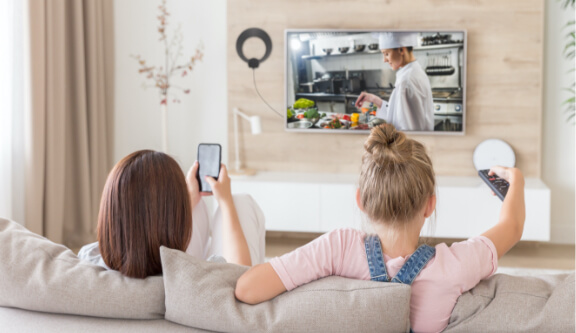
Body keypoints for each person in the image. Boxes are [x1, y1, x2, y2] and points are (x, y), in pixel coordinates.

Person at [235, 124, 525, 333]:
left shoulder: (338, 248)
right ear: (429, 205)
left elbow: (247, 289)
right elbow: (511, 227)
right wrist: (516, 182)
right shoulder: (456, 265)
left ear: (360, 200)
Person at [78, 150, 265, 278]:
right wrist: (226, 203)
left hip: (146, 256)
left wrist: (189, 199)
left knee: (197, 207)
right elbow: (241, 277)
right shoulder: (184, 283)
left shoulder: (88, 257)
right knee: (241, 202)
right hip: (186, 270)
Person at [355, 32, 434, 131]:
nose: (384, 60)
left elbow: (407, 131)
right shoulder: (413, 72)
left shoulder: (407, 81)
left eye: (386, 54)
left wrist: (377, 130)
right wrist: (374, 99)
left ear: (401, 50)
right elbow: (398, 115)